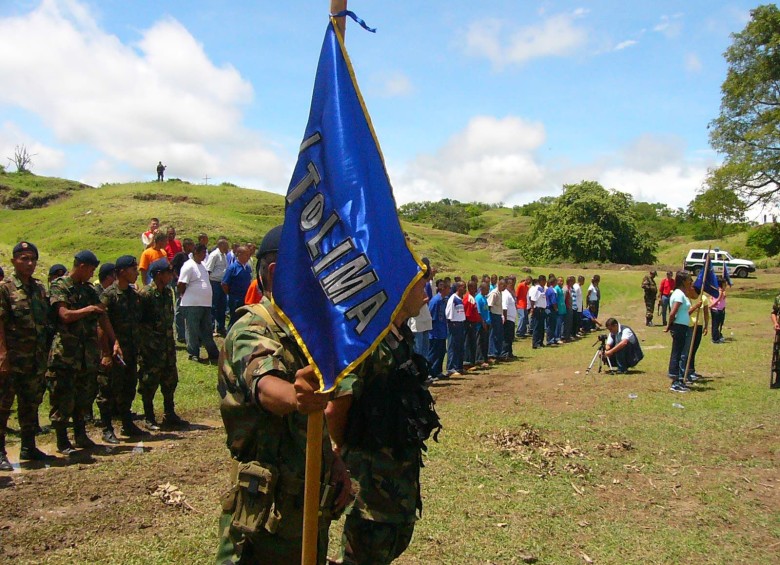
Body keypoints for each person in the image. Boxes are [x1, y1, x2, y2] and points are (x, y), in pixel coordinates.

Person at [215, 226, 352, 564]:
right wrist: (296, 396)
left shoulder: (306, 333)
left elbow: (314, 417)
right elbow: (265, 384)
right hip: (263, 518)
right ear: (277, 274)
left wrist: (334, 462)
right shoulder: (251, 328)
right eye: (316, 273)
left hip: (305, 508)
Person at [327, 273, 441, 565]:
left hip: (398, 481)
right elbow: (337, 406)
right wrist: (342, 449)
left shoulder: (400, 337)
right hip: (371, 486)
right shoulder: (367, 340)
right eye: (419, 285)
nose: (426, 294)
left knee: (391, 543)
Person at [47, 250, 122, 454]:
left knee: (83, 396)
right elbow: (64, 315)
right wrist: (88, 310)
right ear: (81, 266)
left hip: (86, 354)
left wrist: (114, 341)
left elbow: (102, 314)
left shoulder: (89, 290)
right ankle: (63, 441)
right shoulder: (60, 286)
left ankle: (81, 435)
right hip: (66, 353)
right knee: (63, 396)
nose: (92, 274)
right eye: (90, 269)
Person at [0, 242, 53, 470]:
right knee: (3, 405)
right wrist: (2, 354)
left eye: (32, 259)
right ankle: (0, 451)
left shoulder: (39, 289)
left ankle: (28, 446)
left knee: (31, 402)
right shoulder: (5, 288)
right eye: (23, 258)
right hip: (12, 358)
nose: (29, 263)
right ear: (13, 261)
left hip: (35, 358)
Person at [98, 255, 146, 442]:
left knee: (128, 387)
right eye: (133, 269)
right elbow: (101, 325)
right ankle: (107, 428)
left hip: (130, 351)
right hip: (114, 351)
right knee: (108, 389)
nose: (136, 272)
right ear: (122, 272)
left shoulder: (133, 295)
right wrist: (106, 353)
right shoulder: (109, 295)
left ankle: (127, 423)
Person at [138, 258, 186, 430]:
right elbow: (139, 322)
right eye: (168, 273)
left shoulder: (167, 293)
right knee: (149, 382)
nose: (171, 276)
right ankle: (149, 416)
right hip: (151, 347)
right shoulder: (145, 294)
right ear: (159, 275)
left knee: (170, 380)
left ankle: (169, 413)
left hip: (166, 345)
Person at [177, 243, 219, 362]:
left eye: (205, 253)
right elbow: (181, 284)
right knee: (193, 329)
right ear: (196, 253)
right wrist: (185, 295)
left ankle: (213, 352)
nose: (204, 255)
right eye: (202, 253)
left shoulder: (203, 265)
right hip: (192, 304)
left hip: (205, 304)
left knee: (207, 329)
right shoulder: (189, 265)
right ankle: (193, 353)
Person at [665, 271, 693, 393]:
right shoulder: (678, 294)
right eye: (689, 279)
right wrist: (669, 325)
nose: (691, 281)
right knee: (677, 352)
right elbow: (672, 313)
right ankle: (674, 381)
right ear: (683, 281)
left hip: (683, 326)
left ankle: (679, 380)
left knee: (681, 351)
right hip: (679, 327)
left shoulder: (682, 293)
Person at [221, 245, 253, 330]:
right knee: (234, 320)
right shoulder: (233, 268)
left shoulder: (248, 267)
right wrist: (231, 294)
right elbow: (224, 283)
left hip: (245, 298)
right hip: (235, 299)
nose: (248, 257)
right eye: (246, 254)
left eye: (248, 254)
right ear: (239, 254)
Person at [683, 284, 709, 383]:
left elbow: (706, 313)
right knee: (688, 350)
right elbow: (685, 313)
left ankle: (691, 370)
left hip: (698, 326)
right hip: (689, 326)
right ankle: (686, 371)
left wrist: (706, 326)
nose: (689, 289)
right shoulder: (685, 299)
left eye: (691, 288)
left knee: (694, 349)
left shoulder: (703, 298)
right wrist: (695, 306)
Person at [408, 259, 432, 357]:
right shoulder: (412, 287)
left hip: (425, 319)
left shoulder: (424, 286)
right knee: (418, 350)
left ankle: (425, 369)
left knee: (425, 349)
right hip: (417, 322)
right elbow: (413, 305)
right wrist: (424, 300)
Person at [171, 237, 194, 344]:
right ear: (187, 246)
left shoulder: (189, 257)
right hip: (180, 284)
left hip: (186, 284)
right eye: (191, 245)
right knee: (179, 308)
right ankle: (180, 334)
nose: (193, 247)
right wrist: (178, 278)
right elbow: (171, 267)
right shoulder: (180, 255)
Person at [205, 238, 229, 336]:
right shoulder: (214, 255)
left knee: (222, 306)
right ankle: (210, 328)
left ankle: (221, 327)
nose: (227, 247)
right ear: (221, 245)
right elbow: (208, 270)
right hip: (214, 282)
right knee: (213, 306)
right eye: (226, 245)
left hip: (222, 283)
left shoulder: (224, 255)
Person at [426, 279, 448, 381]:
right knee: (434, 353)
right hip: (435, 332)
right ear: (443, 289)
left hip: (442, 331)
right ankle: (431, 372)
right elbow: (431, 315)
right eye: (448, 288)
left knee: (441, 352)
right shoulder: (436, 301)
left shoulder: (444, 300)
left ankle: (438, 371)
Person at [445, 280, 466, 377]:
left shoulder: (460, 299)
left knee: (460, 346)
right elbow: (449, 312)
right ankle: (451, 368)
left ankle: (458, 366)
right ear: (458, 288)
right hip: (454, 325)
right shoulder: (453, 298)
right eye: (463, 287)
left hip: (461, 324)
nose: (464, 289)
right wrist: (451, 322)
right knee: (452, 346)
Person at [463, 280, 483, 370]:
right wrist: (469, 323)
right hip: (470, 324)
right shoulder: (468, 299)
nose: (475, 290)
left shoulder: (472, 298)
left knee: (472, 343)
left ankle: (472, 361)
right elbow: (467, 313)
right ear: (470, 288)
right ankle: (467, 362)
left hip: (474, 323)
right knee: (468, 343)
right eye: (474, 288)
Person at [528, 275, 547, 349]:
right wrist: (532, 308)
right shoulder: (536, 289)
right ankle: (535, 343)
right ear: (540, 281)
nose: (545, 282)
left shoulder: (542, 289)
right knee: (537, 327)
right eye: (544, 281)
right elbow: (533, 299)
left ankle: (540, 342)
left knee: (541, 327)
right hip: (537, 309)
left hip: (542, 309)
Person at [487, 279, 504, 362]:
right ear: (500, 285)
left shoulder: (500, 293)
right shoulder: (494, 293)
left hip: (498, 315)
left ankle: (497, 353)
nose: (504, 288)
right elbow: (488, 306)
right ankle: (491, 354)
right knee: (493, 335)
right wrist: (489, 318)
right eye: (503, 286)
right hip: (493, 315)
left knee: (499, 335)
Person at [501, 277, 517, 359]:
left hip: (511, 319)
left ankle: (509, 352)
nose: (512, 285)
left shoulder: (509, 294)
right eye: (510, 284)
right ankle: (504, 353)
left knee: (510, 337)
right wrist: (505, 318)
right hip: (508, 319)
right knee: (507, 337)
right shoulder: (505, 294)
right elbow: (504, 307)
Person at [710, 278, 727, 344]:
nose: (726, 286)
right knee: (716, 325)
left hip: (716, 309)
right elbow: (718, 300)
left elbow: (711, 298)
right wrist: (712, 305)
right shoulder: (720, 292)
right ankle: (715, 339)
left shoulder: (716, 290)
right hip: (718, 310)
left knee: (715, 324)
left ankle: (717, 336)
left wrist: (712, 304)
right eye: (725, 285)